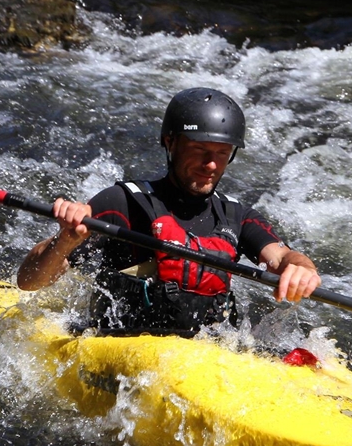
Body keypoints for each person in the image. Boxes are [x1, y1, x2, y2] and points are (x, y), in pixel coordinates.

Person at [17, 87, 321, 334]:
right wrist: (66, 240)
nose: (211, 164)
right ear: (170, 142)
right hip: (120, 347)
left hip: (200, 358)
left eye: (222, 153)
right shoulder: (123, 202)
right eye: (200, 150)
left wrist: (302, 269)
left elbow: (281, 257)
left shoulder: (237, 216)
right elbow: (30, 282)